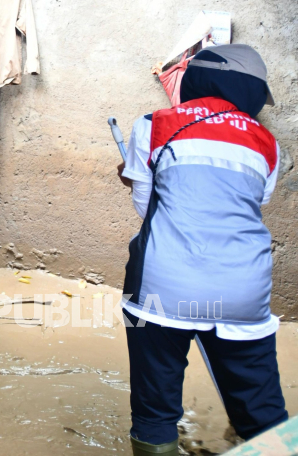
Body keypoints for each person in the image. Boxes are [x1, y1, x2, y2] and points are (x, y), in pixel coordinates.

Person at [117, 45, 287, 456]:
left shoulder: (154, 125)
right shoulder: (269, 143)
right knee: (262, 411)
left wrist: (133, 177)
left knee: (155, 410)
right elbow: (247, 206)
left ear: (196, 81)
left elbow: (148, 208)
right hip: (243, 293)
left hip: (162, 290)